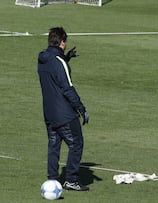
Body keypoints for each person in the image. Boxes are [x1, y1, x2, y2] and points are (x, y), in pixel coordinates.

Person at [38, 27, 90, 190]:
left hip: (49, 112)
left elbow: (54, 70)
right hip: (64, 113)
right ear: (62, 42)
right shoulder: (59, 62)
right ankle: (72, 180)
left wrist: (67, 58)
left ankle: (52, 179)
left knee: (54, 144)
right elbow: (67, 87)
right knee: (76, 143)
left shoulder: (42, 59)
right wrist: (81, 108)